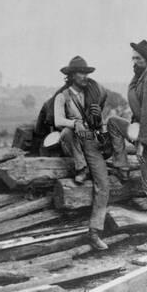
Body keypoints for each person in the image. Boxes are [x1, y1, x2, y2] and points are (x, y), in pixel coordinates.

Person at [107, 40, 147, 252]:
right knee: (113, 122)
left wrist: (141, 144)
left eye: (139, 58)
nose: (134, 61)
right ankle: (121, 164)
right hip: (138, 129)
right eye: (133, 58)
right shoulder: (139, 78)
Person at [53, 56, 111, 251]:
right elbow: (58, 120)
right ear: (71, 75)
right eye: (81, 73)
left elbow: (100, 115)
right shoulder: (62, 96)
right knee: (67, 132)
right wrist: (75, 123)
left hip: (90, 140)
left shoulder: (92, 94)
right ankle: (80, 167)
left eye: (87, 73)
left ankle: (94, 231)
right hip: (73, 141)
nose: (85, 76)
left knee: (103, 184)